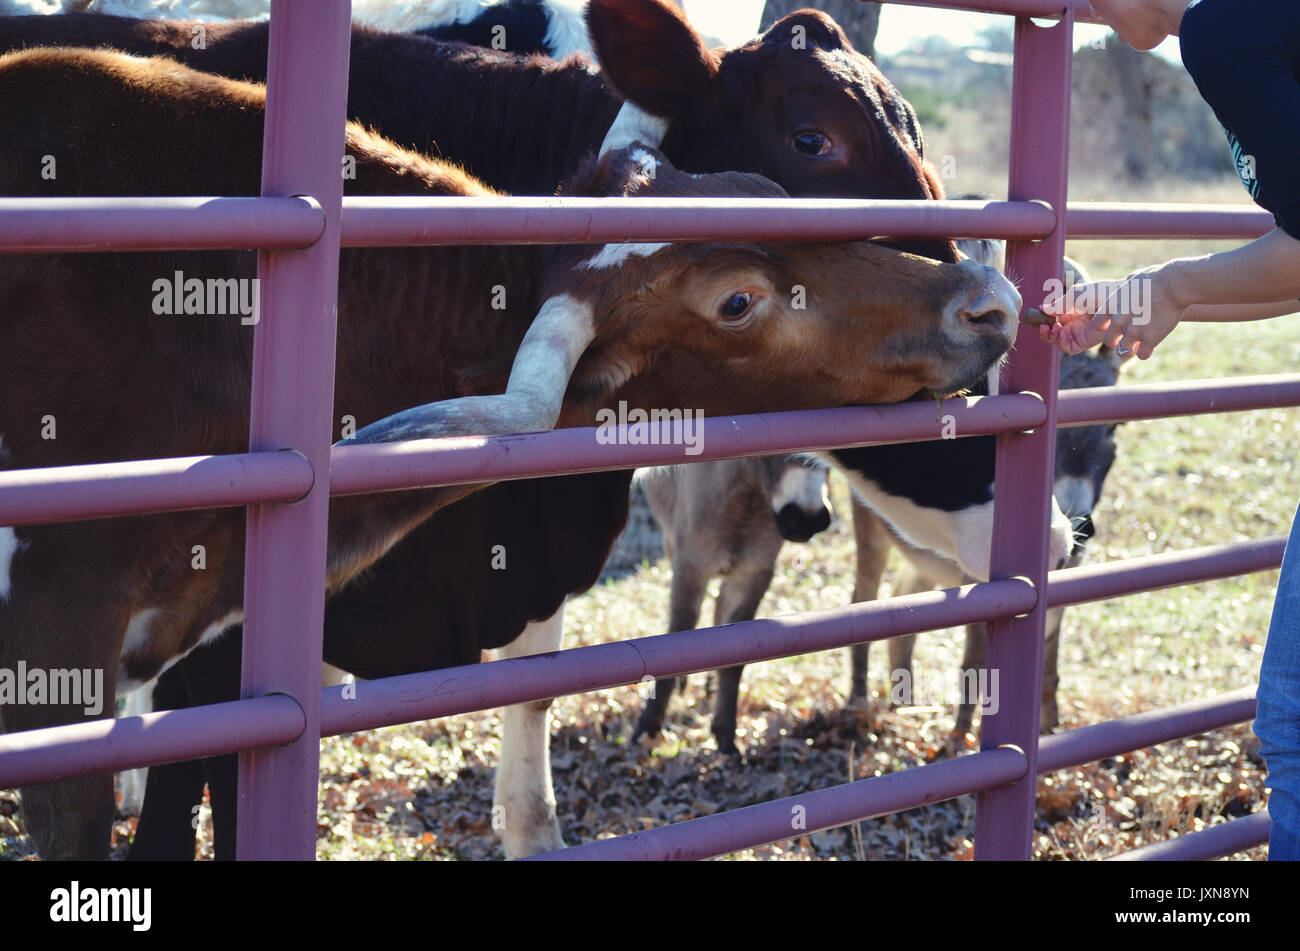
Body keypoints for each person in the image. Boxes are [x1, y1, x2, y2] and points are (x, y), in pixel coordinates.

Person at [1038, 0, 1300, 860]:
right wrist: (1160, 295)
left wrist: (1178, 285)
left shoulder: (1223, 30)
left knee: (1295, 720)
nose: (1074, 12)